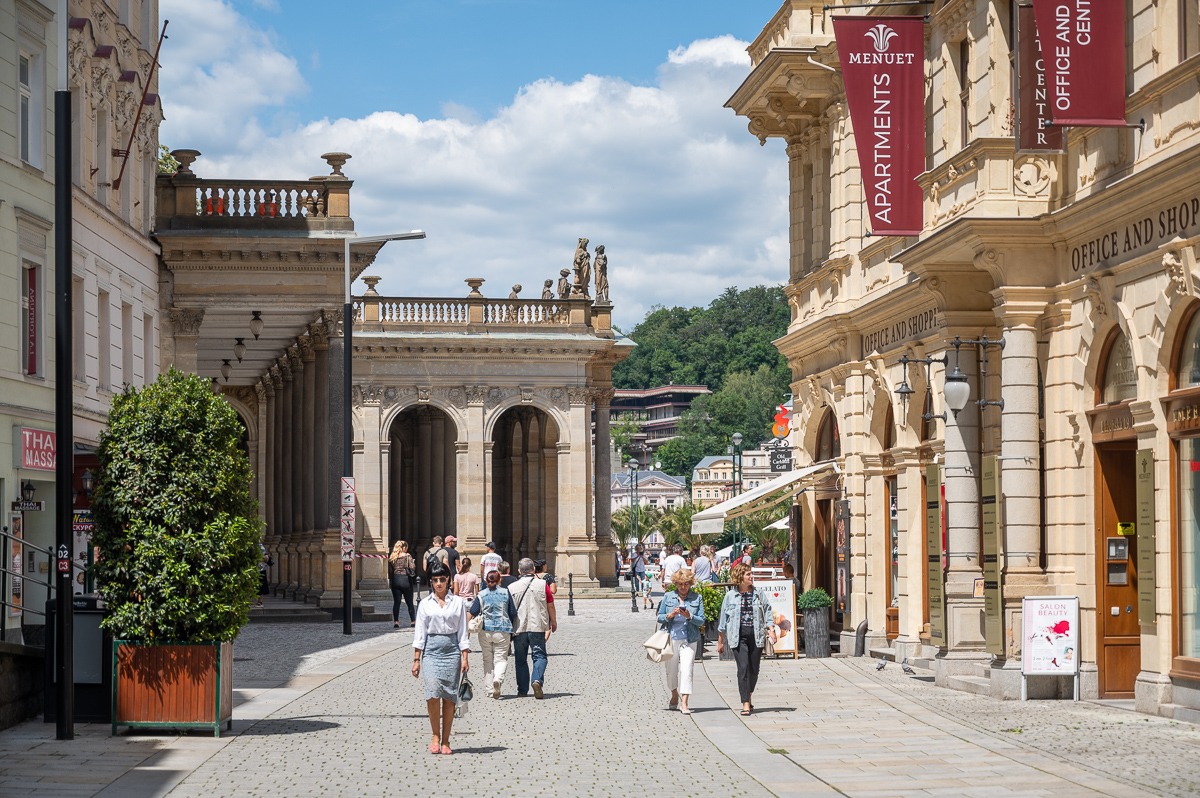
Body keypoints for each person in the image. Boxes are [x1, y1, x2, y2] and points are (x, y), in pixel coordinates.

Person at [412, 562, 470, 755]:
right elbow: (420, 631)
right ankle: (435, 735)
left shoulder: (458, 603)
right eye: (435, 580)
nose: (439, 583)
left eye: (442, 579)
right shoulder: (425, 604)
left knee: (449, 696)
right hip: (431, 651)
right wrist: (417, 658)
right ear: (431, 582)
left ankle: (446, 740)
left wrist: (464, 657)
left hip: (452, 650)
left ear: (449, 580)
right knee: (433, 692)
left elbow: (463, 631)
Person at [716, 562, 776, 716]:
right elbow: (723, 619)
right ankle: (745, 703)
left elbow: (768, 611)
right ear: (740, 577)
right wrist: (720, 641)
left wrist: (771, 629)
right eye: (748, 574)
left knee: (754, 669)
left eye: (751, 574)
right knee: (743, 668)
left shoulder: (758, 593)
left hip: (756, 635)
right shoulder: (730, 596)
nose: (751, 576)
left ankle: (748, 693)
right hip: (738, 636)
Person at [657, 567, 705, 714]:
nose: (683, 587)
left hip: (689, 639)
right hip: (671, 638)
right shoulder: (668, 596)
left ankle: (685, 702)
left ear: (690, 583)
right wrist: (670, 615)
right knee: (671, 671)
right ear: (676, 584)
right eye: (680, 584)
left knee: (687, 670)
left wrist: (689, 616)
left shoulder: (697, 598)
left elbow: (702, 620)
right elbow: (659, 616)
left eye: (686, 584)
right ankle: (674, 695)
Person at [509, 557, 557, 698]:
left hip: (519, 627)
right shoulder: (543, 585)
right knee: (540, 656)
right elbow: (550, 604)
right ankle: (537, 680)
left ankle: (522, 690)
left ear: (519, 570)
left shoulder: (512, 587)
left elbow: (509, 610)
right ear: (533, 570)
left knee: (520, 659)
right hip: (538, 625)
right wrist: (553, 622)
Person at [468, 569, 518, 699]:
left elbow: (473, 610)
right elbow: (513, 612)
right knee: (501, 659)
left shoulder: (481, 594)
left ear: (486, 581)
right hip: (502, 630)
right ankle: (498, 679)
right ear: (499, 580)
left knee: (487, 660)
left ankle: (490, 690)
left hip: (485, 630)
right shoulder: (506, 593)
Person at [388, 540, 417, 628]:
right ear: (403, 547)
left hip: (396, 579)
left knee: (396, 602)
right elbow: (412, 567)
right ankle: (413, 621)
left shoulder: (392, 557)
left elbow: (390, 571)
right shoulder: (407, 556)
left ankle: (396, 622)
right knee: (409, 602)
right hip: (405, 580)